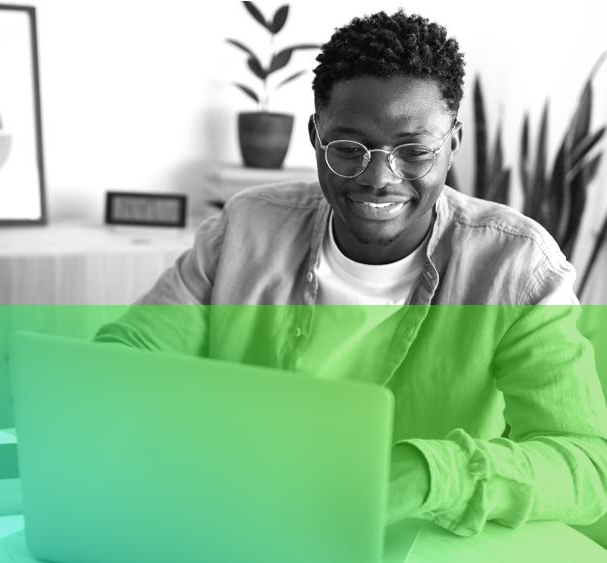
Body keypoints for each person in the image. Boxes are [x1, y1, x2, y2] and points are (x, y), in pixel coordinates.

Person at [95, 9, 607, 536]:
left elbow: (586, 465)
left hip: (414, 553)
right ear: (316, 135)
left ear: (452, 143)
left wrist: (428, 474)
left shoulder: (515, 267)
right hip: (238, 520)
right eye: (348, 148)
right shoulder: (245, 229)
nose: (380, 178)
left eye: (414, 151)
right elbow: (127, 359)